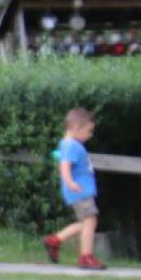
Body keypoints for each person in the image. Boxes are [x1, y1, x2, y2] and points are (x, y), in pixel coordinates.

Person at [44, 107, 106, 269]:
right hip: (80, 190)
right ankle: (86, 256)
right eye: (88, 131)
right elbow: (65, 166)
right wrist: (70, 182)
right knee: (90, 220)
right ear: (76, 127)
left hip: (81, 190)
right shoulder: (71, 145)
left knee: (86, 223)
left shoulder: (68, 145)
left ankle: (55, 240)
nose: (90, 135)